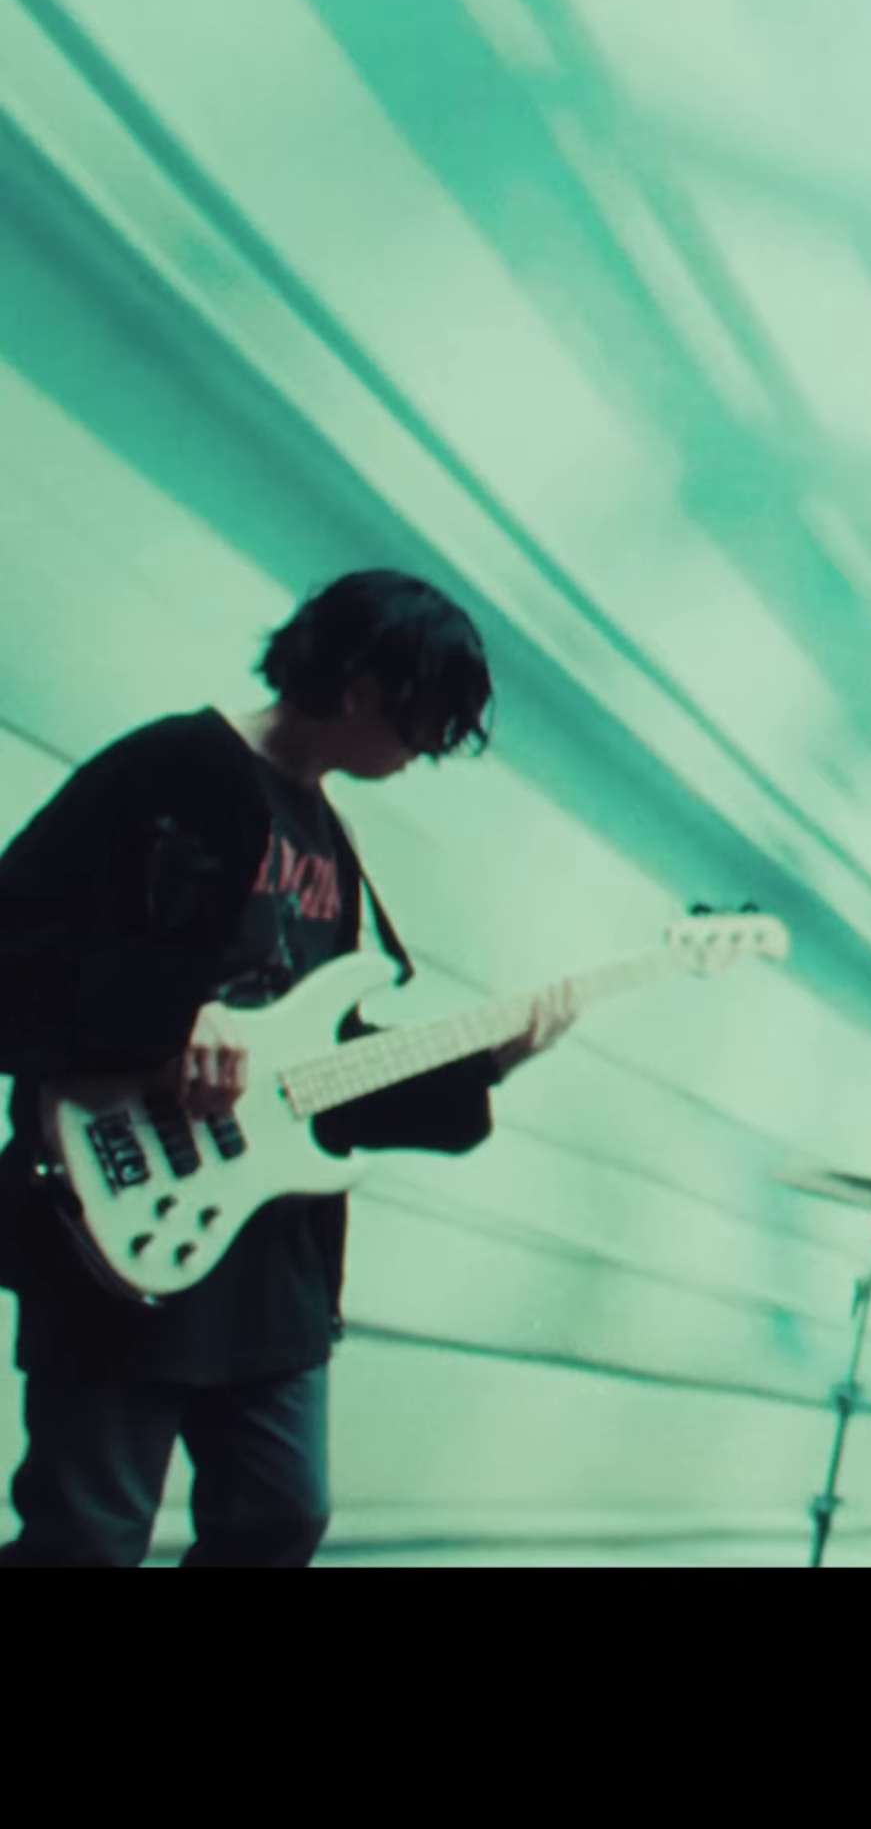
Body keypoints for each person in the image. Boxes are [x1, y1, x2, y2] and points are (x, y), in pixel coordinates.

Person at [0, 570, 576, 1566]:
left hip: (269, 1253)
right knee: (87, 1538)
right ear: (360, 687)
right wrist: (174, 1017)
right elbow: (16, 947)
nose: (429, 750)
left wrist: (482, 1064)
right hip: (123, 1212)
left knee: (280, 1517)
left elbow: (310, 1072)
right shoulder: (172, 766)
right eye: (426, 721)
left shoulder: (331, 836)